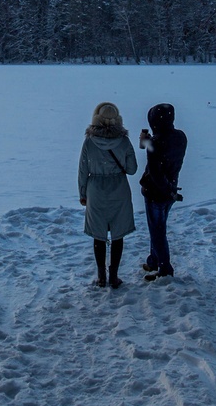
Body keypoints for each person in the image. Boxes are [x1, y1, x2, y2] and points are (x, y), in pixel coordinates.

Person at [78, 101, 137, 288]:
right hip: (119, 189)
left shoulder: (89, 141)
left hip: (95, 190)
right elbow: (132, 169)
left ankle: (101, 275)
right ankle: (114, 275)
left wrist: (82, 193)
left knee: (99, 235)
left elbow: (83, 170)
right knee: (118, 234)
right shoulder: (124, 141)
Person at [138, 103, 187, 281]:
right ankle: (153, 260)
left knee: (157, 232)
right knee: (158, 228)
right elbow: (165, 153)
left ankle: (165, 268)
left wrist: (149, 143)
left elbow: (155, 171)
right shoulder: (180, 136)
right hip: (171, 190)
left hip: (155, 194)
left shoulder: (156, 143)